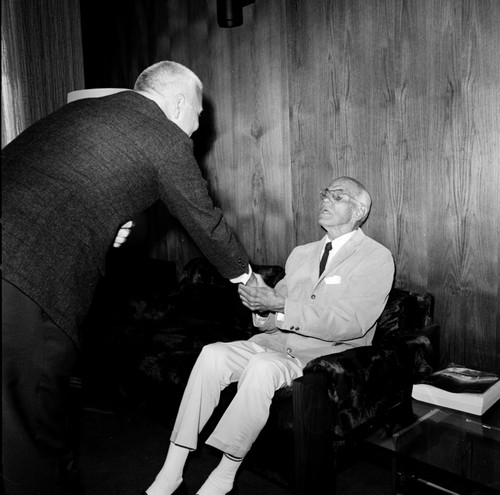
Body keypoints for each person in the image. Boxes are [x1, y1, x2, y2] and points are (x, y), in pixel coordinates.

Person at [1, 61, 257, 495]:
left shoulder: (82, 112)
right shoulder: (163, 134)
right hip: (26, 280)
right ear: (178, 103)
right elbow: (205, 221)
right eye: (196, 118)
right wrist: (247, 278)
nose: (192, 132)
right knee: (35, 429)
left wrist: (101, 222)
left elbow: (45, 182)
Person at [144, 176, 395, 495]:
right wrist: (261, 304)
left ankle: (224, 476)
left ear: (360, 211)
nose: (325, 200)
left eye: (338, 196)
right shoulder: (302, 254)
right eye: (325, 193)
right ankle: (172, 470)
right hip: (275, 344)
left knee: (261, 369)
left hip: (319, 359)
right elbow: (275, 317)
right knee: (212, 354)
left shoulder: (376, 257)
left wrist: (281, 305)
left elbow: (353, 323)